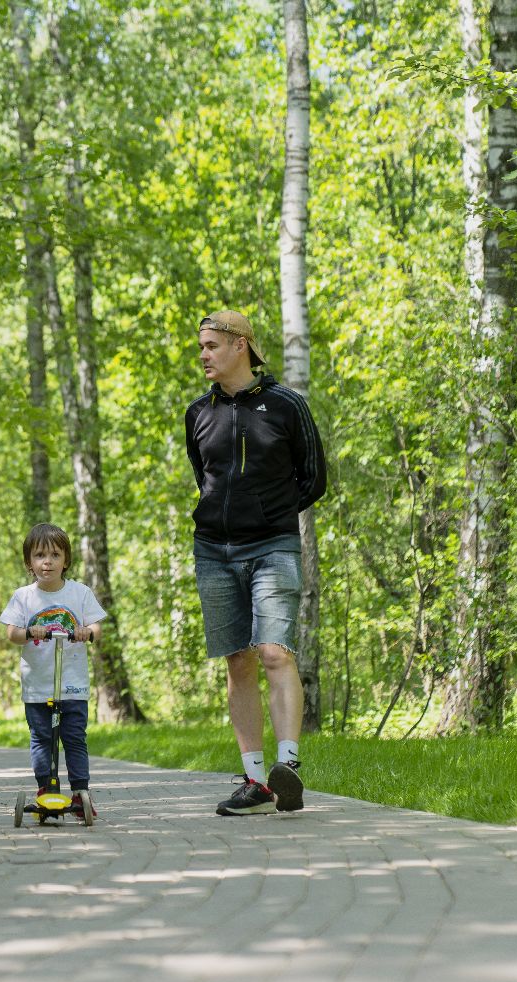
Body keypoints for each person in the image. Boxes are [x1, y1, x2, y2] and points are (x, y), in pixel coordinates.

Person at [186, 310, 326, 816]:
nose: (203, 355)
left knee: (273, 652)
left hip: (272, 546)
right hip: (213, 552)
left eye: (210, 346)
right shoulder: (198, 413)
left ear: (240, 345)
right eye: (200, 347)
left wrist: (269, 514)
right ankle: (254, 783)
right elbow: (206, 478)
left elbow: (313, 479)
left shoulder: (287, 405)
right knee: (238, 661)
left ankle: (287, 767)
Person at [0, 524, 106, 812]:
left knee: (74, 738)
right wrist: (28, 631)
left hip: (73, 685)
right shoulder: (23, 596)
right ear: (29, 563)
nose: (48, 561)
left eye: (55, 555)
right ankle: (45, 788)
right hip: (38, 685)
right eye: (40, 555)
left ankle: (80, 792)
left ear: (66, 560)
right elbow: (11, 633)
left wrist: (86, 631)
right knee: (42, 739)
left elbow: (97, 627)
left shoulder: (80, 594)